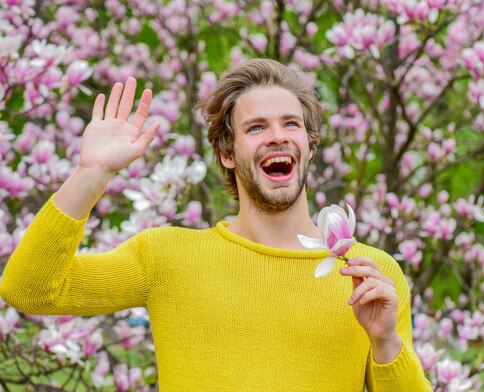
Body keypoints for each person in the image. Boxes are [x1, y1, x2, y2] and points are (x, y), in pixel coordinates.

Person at [0, 59, 431, 391]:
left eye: (291, 124)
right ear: (227, 152)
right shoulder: (166, 257)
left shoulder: (370, 277)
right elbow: (30, 289)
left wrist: (386, 343)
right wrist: (91, 173)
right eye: (256, 127)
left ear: (309, 145)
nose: (277, 137)